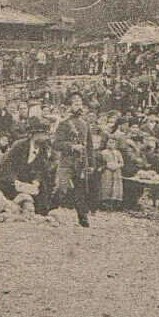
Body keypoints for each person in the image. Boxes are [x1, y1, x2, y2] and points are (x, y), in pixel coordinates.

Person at [52, 91, 95, 227]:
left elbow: (90, 146)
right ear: (70, 106)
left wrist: (91, 164)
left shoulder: (85, 124)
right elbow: (56, 144)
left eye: (80, 103)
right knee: (61, 188)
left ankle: (83, 219)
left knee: (80, 191)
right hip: (66, 162)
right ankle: (47, 210)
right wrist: (72, 146)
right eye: (76, 103)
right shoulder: (64, 124)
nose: (79, 106)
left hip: (81, 163)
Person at [0, 133, 53, 215]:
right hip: (13, 179)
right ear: (34, 134)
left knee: (43, 190)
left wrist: (37, 181)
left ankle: (40, 216)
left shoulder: (43, 148)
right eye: (43, 134)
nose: (46, 137)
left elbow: (41, 169)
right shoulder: (19, 145)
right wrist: (15, 181)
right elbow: (8, 165)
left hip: (29, 181)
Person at [98, 137, 124, 209]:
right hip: (107, 171)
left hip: (116, 171)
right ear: (106, 143)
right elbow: (101, 163)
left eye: (113, 143)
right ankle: (105, 202)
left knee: (116, 186)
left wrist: (117, 166)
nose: (111, 144)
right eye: (109, 142)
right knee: (106, 185)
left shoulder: (118, 152)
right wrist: (107, 166)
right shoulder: (103, 152)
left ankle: (114, 202)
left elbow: (122, 162)